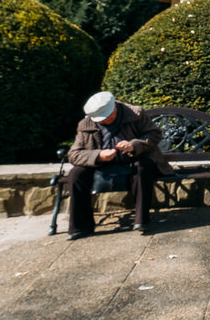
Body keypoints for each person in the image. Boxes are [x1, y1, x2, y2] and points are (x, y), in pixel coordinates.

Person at [65, 91, 173, 240]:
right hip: (101, 164)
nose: (107, 121)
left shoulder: (135, 114)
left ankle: (141, 220)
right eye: (102, 120)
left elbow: (154, 134)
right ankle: (80, 226)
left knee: (143, 168)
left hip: (134, 158)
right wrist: (98, 155)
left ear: (115, 107)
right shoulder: (85, 124)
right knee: (76, 174)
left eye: (109, 117)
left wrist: (133, 145)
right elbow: (74, 154)